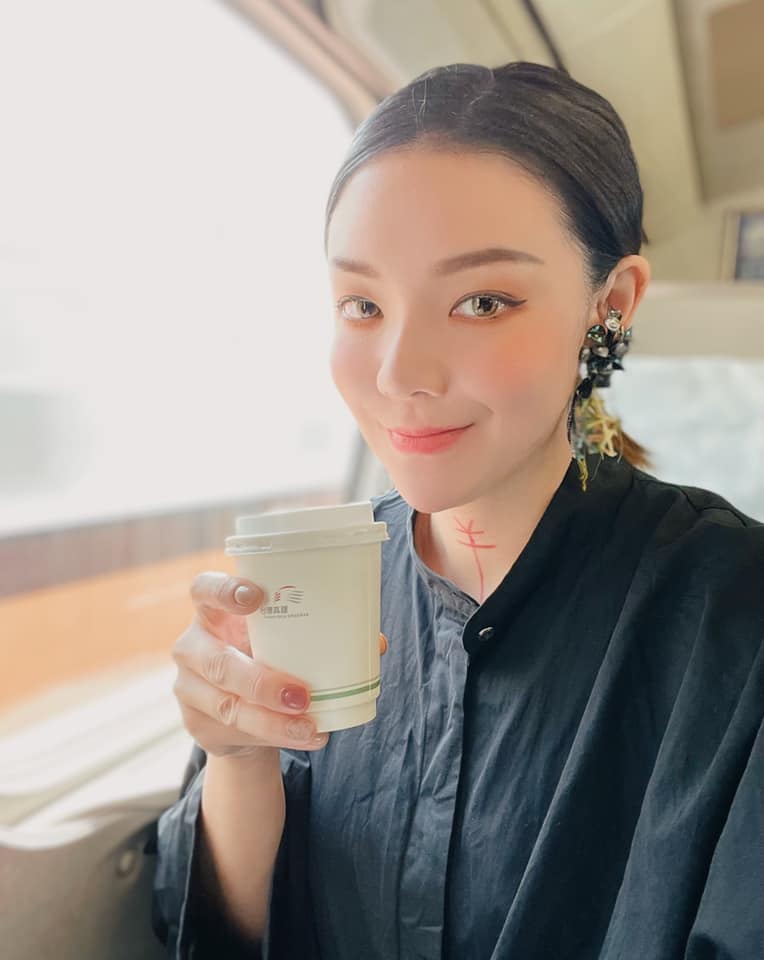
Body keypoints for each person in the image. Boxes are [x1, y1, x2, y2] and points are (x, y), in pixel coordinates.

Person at [149, 61, 764, 959]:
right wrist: (239, 759)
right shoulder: (308, 592)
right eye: (363, 304)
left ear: (610, 305)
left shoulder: (736, 617)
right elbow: (229, 937)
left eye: (481, 302)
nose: (400, 372)